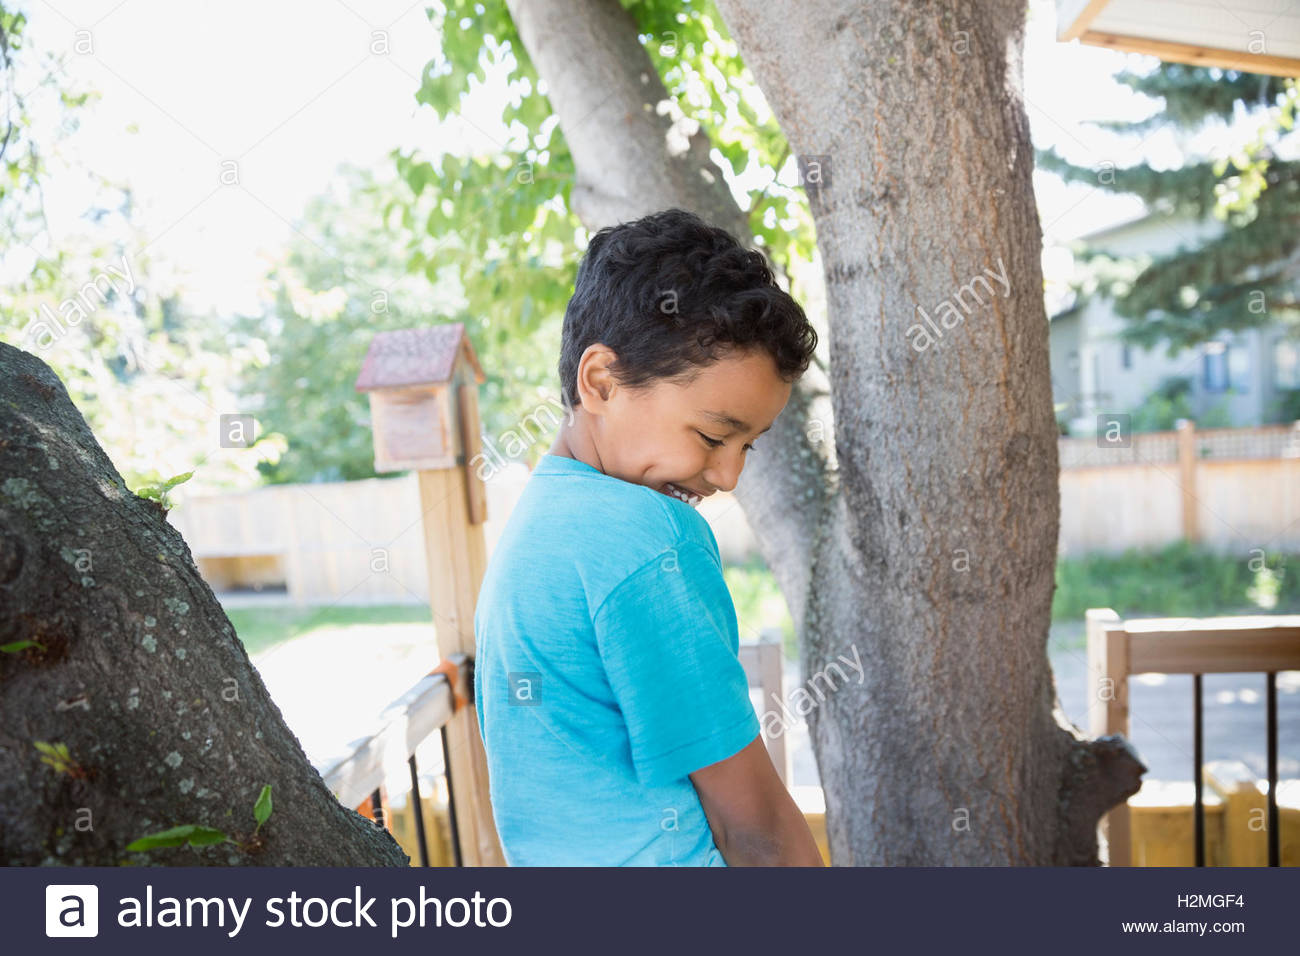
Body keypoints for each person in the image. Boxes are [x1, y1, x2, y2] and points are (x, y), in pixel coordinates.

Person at [473, 207, 824, 866]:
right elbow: (756, 828)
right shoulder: (645, 538)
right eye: (715, 435)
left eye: (749, 444)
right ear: (601, 381)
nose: (727, 475)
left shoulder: (538, 524)